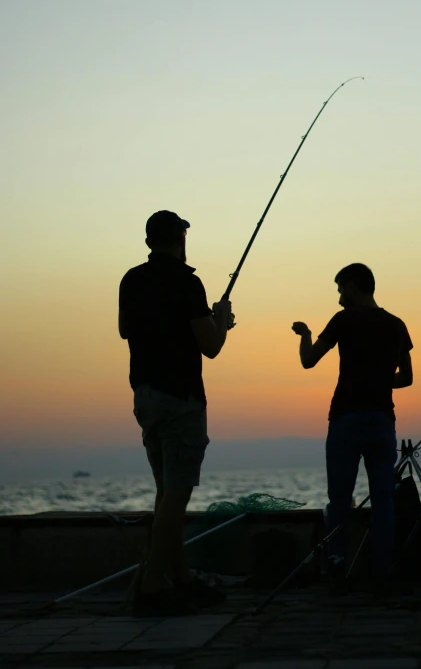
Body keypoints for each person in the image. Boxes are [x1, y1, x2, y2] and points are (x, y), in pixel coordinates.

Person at [119, 210, 233, 617]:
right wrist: (221, 320)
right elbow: (212, 346)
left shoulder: (131, 279)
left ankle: (181, 580)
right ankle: (151, 587)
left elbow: (124, 329)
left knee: (167, 493)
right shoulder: (188, 282)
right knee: (177, 493)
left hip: (145, 396)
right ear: (180, 238)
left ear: (150, 241)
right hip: (180, 398)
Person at [292, 263, 413, 594]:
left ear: (356, 287)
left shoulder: (344, 321)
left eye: (341, 289)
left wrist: (304, 335)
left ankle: (338, 569)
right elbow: (407, 378)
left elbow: (308, 360)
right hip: (381, 421)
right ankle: (383, 572)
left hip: (346, 419)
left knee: (340, 499)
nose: (339, 297)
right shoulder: (397, 325)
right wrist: (377, 381)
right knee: (384, 501)